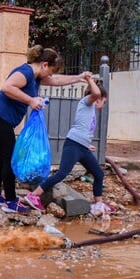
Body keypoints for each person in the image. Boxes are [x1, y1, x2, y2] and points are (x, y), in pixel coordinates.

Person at [0, 45, 90, 213]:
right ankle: (10, 201)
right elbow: (7, 87)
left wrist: (79, 77)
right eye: (51, 70)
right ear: (44, 64)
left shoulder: (36, 77)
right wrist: (31, 100)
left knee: (5, 156)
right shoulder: (26, 72)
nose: (51, 75)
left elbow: (55, 81)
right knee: (10, 158)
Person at [23, 73, 112, 216]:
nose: (103, 105)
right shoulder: (86, 102)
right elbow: (95, 92)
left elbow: (84, 128)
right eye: (104, 101)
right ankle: (34, 195)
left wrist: (87, 144)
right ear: (99, 99)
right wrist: (89, 80)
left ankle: (98, 204)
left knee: (98, 173)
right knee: (62, 173)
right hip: (74, 144)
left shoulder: (90, 110)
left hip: (82, 147)